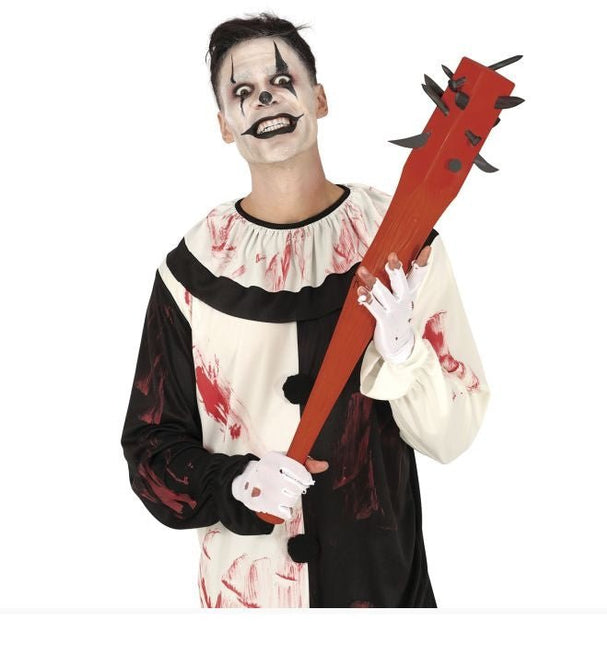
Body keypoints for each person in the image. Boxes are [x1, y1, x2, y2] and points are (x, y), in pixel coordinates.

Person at [121, 13, 490, 608]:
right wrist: (235, 483)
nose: (265, 99)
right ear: (224, 125)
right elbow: (151, 452)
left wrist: (405, 357)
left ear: (319, 98)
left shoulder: (404, 242)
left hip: (381, 589)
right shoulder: (193, 268)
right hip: (248, 596)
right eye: (242, 92)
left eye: (281, 80)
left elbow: (452, 436)